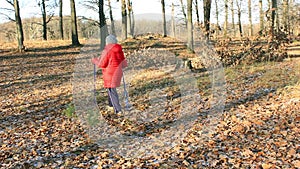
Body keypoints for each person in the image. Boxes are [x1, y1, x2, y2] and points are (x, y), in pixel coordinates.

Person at [92, 34, 128, 114]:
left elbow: (102, 64)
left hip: (110, 73)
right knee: (111, 89)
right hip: (118, 73)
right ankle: (110, 106)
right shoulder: (119, 49)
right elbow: (124, 64)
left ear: (107, 42)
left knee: (112, 91)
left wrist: (94, 60)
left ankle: (118, 110)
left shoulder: (107, 50)